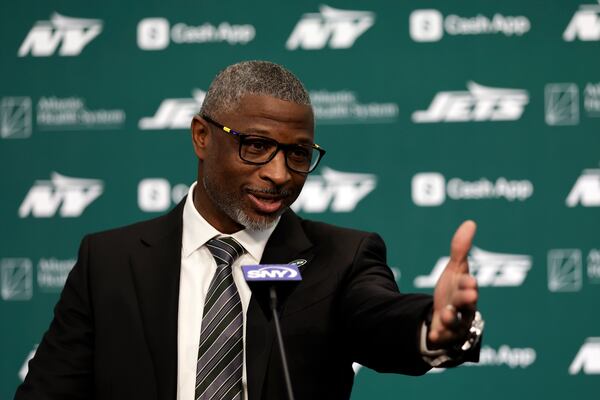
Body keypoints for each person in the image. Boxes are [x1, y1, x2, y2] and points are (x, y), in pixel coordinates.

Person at [15, 61, 482, 400]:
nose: (280, 174)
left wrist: (433, 327)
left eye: (298, 154)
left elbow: (378, 317)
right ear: (202, 136)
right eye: (257, 146)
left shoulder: (340, 257)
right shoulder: (110, 261)